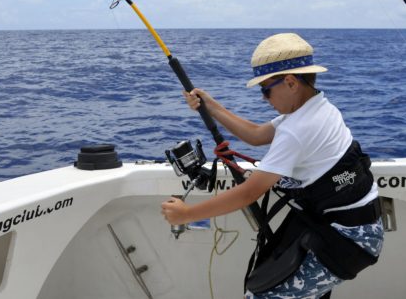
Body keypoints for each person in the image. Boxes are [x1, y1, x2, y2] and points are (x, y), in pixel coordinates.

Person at [161, 33, 384, 299]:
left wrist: (186, 214)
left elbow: (249, 193)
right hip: (349, 225)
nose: (265, 99)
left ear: (290, 83)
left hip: (349, 238)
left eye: (265, 90)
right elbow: (256, 135)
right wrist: (212, 107)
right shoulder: (315, 108)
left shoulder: (298, 129)